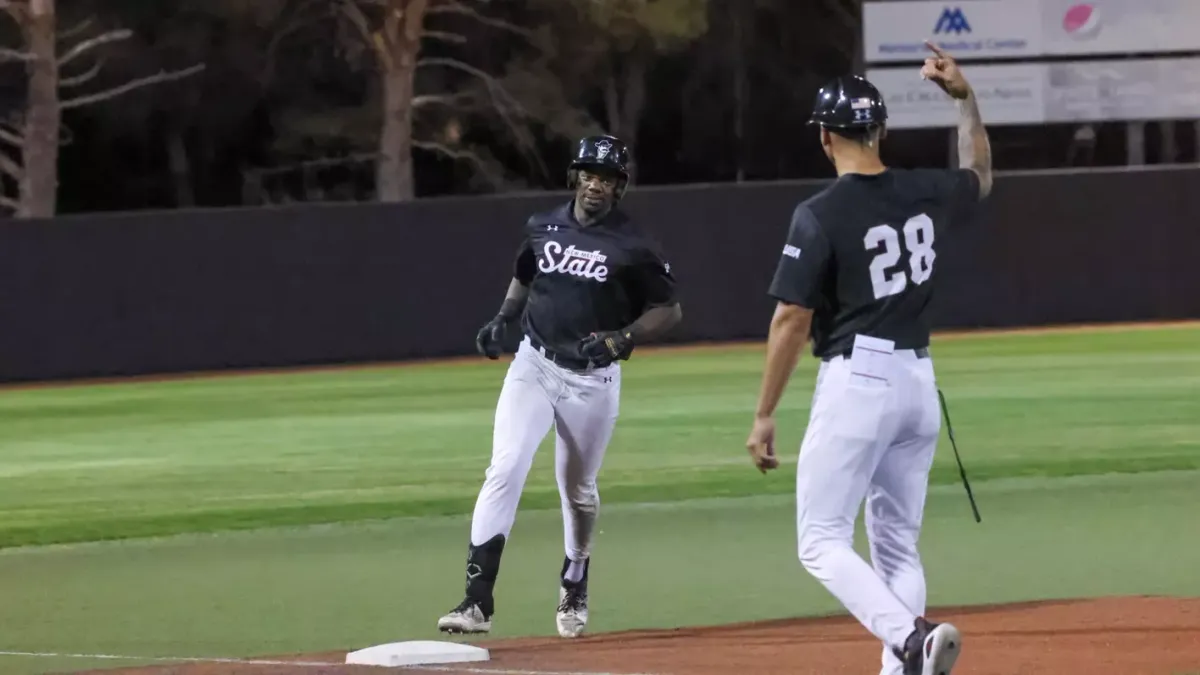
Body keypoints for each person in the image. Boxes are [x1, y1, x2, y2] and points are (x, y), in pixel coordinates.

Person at [743, 42, 992, 675]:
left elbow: (791, 319)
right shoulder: (925, 191)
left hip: (861, 380)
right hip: (918, 379)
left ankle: (911, 641)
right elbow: (980, 174)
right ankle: (903, 665)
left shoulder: (820, 214)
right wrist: (964, 100)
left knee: (821, 539)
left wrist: (765, 413)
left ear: (826, 137)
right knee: (896, 547)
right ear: (878, 130)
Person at [437, 134, 683, 640]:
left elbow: (668, 309)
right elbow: (524, 274)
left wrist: (625, 337)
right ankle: (476, 602)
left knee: (578, 491)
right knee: (505, 467)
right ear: (575, 176)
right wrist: (503, 317)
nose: (597, 185)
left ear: (620, 187)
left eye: (608, 178)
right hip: (534, 364)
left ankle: (576, 573)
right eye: (590, 174)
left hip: (591, 381)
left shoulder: (634, 244)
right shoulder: (542, 225)